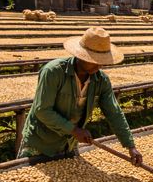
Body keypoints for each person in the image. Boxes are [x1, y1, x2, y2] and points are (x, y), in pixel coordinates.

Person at [18, 27, 142, 165]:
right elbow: (42, 110)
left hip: (68, 144)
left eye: (101, 60)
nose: (99, 64)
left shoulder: (101, 80)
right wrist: (74, 130)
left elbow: (114, 113)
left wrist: (130, 146)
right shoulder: (53, 72)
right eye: (94, 59)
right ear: (81, 56)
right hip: (41, 143)